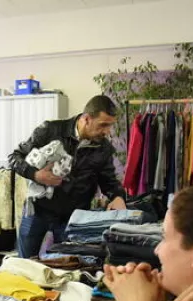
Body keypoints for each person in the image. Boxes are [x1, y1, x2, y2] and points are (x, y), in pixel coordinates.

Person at [9, 95, 126, 258]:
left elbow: (109, 181)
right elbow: (15, 157)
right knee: (24, 264)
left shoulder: (103, 148)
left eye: (110, 126)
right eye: (103, 125)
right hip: (37, 210)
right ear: (86, 119)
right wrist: (35, 175)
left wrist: (118, 196)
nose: (107, 131)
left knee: (67, 268)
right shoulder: (49, 130)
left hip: (73, 218)